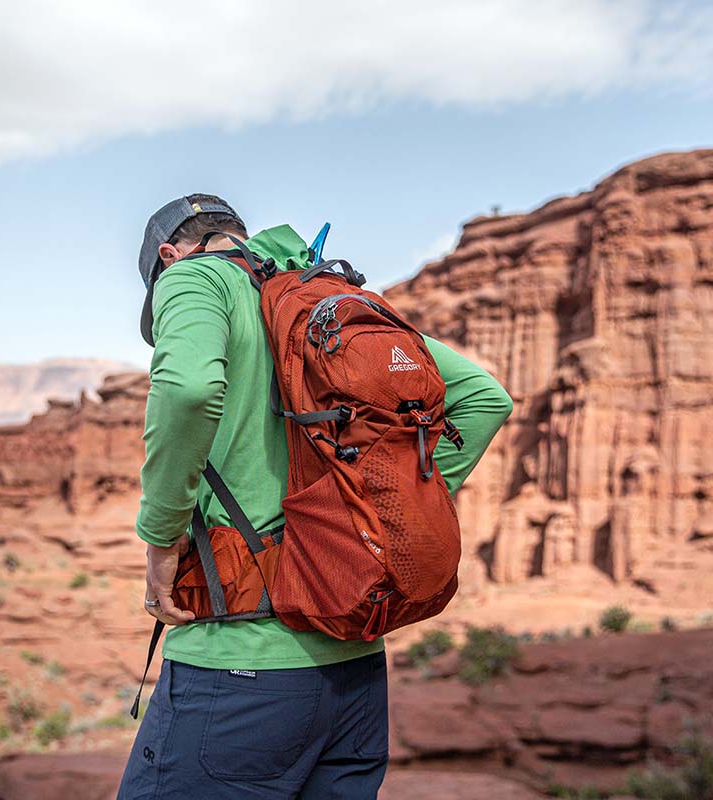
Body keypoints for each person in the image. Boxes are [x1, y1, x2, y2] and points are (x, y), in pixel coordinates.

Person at [118, 194, 512, 799]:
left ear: (169, 254)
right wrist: (385, 511)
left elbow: (191, 390)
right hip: (355, 675)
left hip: (239, 666)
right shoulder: (320, 299)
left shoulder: (195, 276)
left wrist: (161, 540)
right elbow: (484, 398)